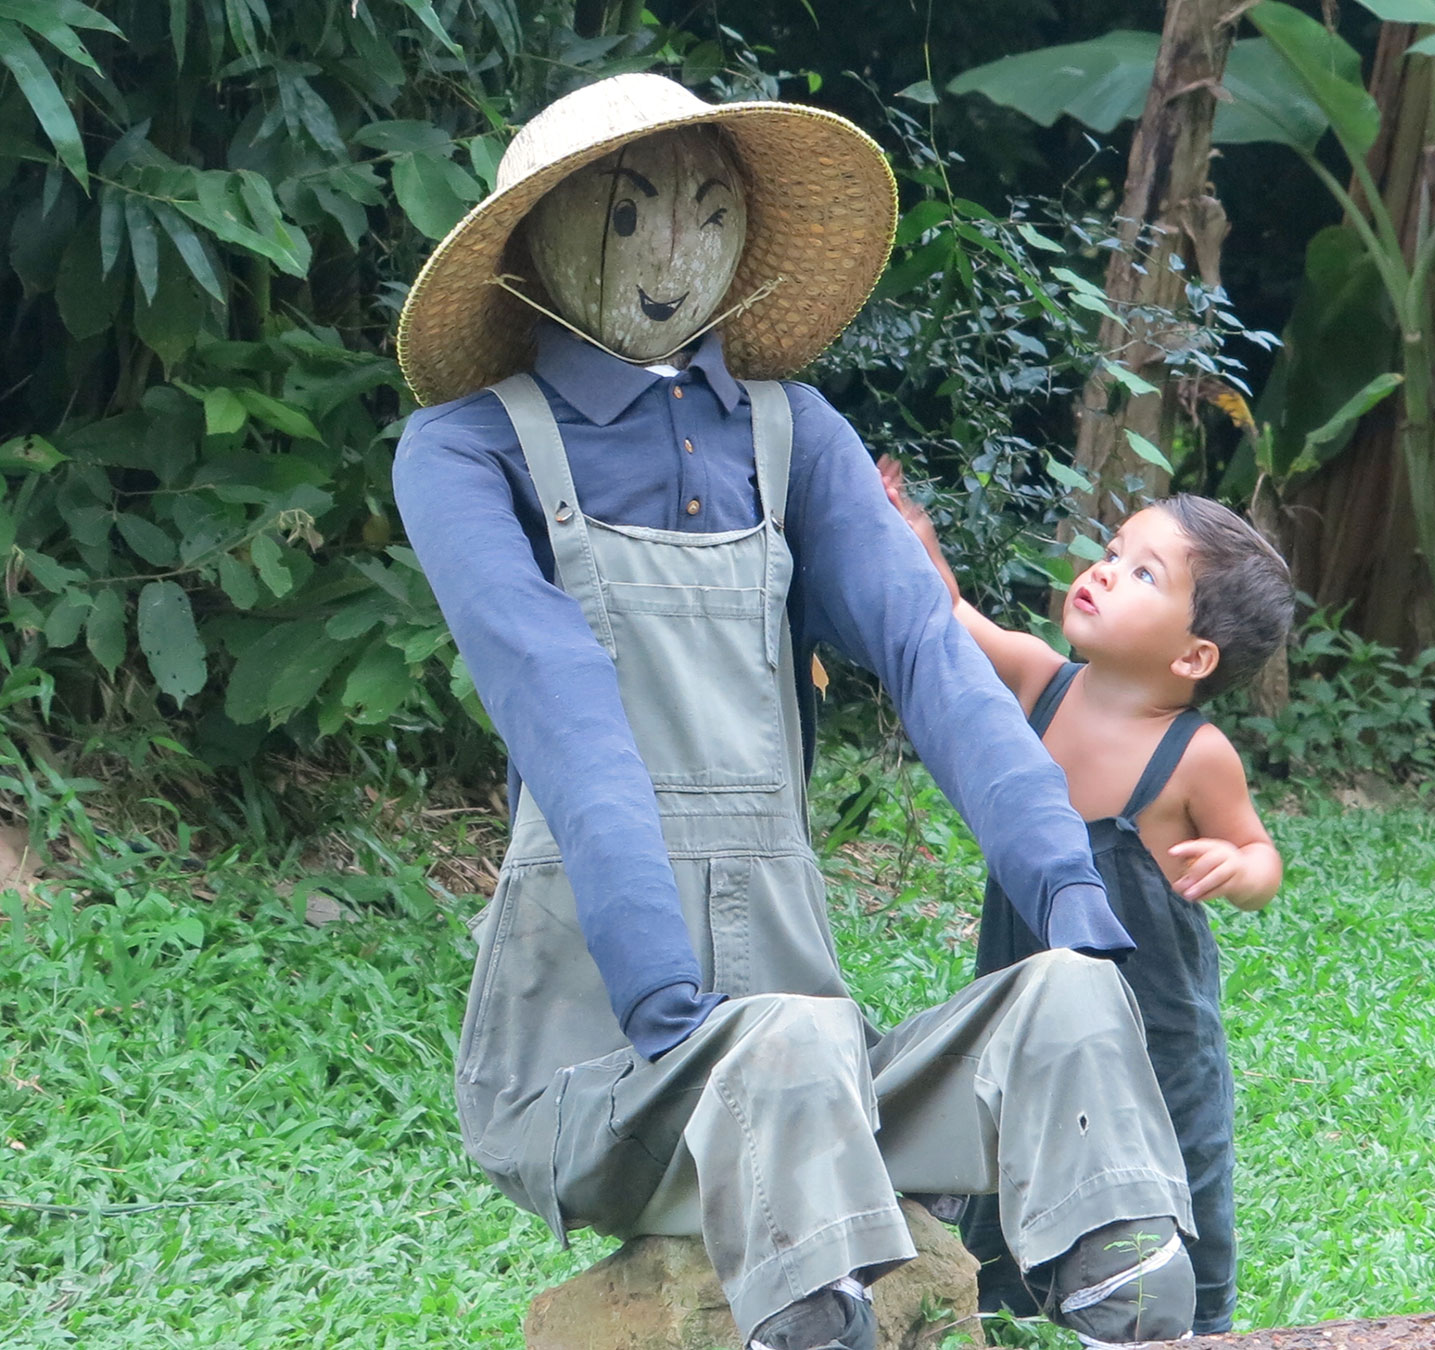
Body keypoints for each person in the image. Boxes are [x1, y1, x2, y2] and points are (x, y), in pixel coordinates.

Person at [391, 72, 1203, 1350]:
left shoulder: (794, 434)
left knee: (1063, 1003)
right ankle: (807, 1308)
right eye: (629, 215)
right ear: (537, 243)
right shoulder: (466, 449)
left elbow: (928, 656)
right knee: (772, 1048)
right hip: (604, 1076)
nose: (674, 252)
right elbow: (559, 703)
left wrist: (1066, 889)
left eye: (709, 213)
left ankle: (1123, 1287)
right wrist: (665, 1002)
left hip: (821, 1066)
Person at [881, 458, 1293, 1334]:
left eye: (1143, 573)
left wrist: (1238, 866)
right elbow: (949, 620)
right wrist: (916, 544)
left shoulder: (1195, 755)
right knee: (1012, 1146)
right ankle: (1006, 1303)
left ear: (1193, 656)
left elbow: (1263, 856)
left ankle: (1182, 1319)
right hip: (1024, 1018)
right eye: (1111, 552)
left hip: (1157, 1037)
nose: (1103, 570)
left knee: (1175, 1169)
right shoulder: (1040, 681)